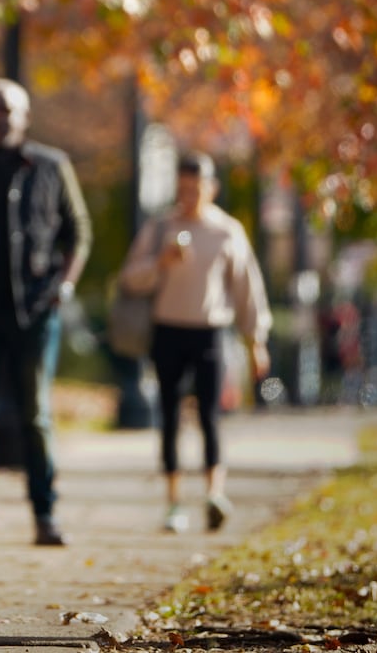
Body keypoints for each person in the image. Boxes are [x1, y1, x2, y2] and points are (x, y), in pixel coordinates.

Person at [0, 78, 91, 546]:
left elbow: (78, 232)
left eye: (6, 109)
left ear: (24, 116)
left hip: (35, 311)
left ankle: (46, 515)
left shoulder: (51, 165)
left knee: (36, 417)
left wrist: (62, 286)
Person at [117, 151, 271, 533]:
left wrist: (256, 340)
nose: (189, 196)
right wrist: (160, 264)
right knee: (168, 415)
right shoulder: (160, 228)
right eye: (183, 188)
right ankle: (173, 503)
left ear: (211, 188)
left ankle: (214, 493)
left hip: (211, 331)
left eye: (196, 188)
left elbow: (247, 289)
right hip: (168, 329)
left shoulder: (227, 231)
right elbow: (130, 278)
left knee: (209, 416)